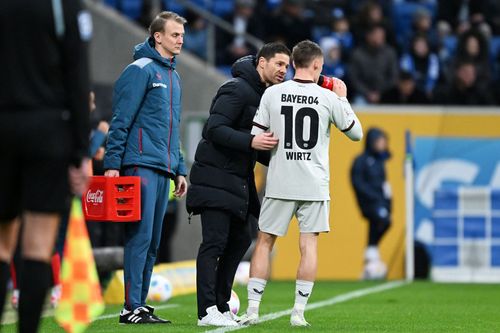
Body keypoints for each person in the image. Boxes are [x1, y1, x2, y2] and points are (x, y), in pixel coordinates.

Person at [239, 40, 363, 327]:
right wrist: (342, 98)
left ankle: (253, 311)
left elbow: (257, 136)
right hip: (313, 184)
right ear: (318, 65)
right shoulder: (328, 98)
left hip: (281, 180)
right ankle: (298, 313)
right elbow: (356, 133)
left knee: (264, 242)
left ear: (294, 64)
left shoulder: (272, 93)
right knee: (309, 246)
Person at [0, 0, 91, 332]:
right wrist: (82, 149)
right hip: (48, 132)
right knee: (38, 244)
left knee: (2, 242)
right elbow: (78, 76)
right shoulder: (65, 7)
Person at [186, 42, 291, 327]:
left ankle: (220, 306)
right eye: (279, 64)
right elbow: (214, 129)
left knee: (242, 239)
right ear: (261, 63)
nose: (284, 70)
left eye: (287, 65)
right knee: (215, 242)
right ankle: (206, 311)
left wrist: (288, 162)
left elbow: (257, 146)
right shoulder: (236, 89)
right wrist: (251, 141)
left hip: (237, 182)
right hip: (215, 178)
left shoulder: (265, 96)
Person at [103, 11, 188, 324]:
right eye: (175, 34)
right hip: (138, 164)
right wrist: (112, 164)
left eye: (182, 35)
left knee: (153, 241)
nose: (181, 40)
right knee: (139, 238)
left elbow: (172, 127)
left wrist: (179, 168)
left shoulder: (173, 76)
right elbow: (120, 120)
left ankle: (138, 304)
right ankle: (130, 307)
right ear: (158, 37)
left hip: (163, 168)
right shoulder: (139, 70)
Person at [351, 128, 391, 279]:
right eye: (380, 141)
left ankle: (371, 254)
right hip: (369, 202)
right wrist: (371, 196)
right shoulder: (361, 161)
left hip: (380, 201)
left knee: (381, 223)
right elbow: (357, 182)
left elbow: (384, 184)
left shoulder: (379, 161)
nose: (383, 144)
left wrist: (387, 200)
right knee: (382, 220)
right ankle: (371, 251)